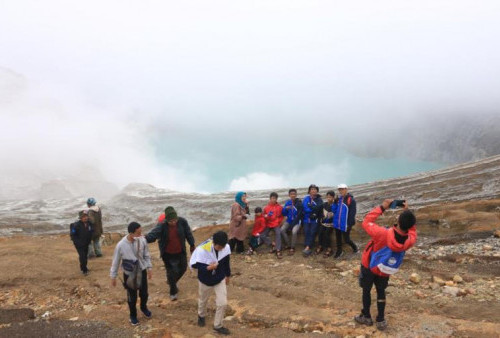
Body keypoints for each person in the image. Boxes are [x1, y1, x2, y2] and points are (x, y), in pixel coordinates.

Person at [354, 199, 417, 331]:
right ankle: (381, 319)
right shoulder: (410, 240)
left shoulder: (383, 233)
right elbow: (412, 229)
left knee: (366, 290)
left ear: (398, 221)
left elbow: (366, 222)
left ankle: (366, 316)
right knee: (381, 291)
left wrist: (382, 207)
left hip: (370, 265)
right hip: (385, 269)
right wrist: (407, 213)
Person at [146, 206, 195, 301]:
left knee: (183, 268)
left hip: (180, 251)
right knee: (171, 272)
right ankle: (173, 292)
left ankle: (171, 281)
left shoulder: (182, 222)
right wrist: (144, 239)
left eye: (175, 220)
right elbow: (153, 235)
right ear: (166, 220)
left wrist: (192, 244)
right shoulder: (162, 225)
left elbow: (188, 233)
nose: (173, 223)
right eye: (170, 221)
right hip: (167, 253)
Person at [110, 222, 153, 326]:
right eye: (138, 233)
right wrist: (113, 276)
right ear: (131, 233)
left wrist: (149, 268)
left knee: (144, 293)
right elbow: (116, 261)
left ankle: (143, 307)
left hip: (141, 270)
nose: (141, 235)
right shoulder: (121, 245)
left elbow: (146, 255)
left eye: (141, 232)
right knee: (132, 297)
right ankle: (133, 315)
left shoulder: (142, 240)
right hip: (129, 274)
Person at [190, 231, 232, 336]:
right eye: (219, 247)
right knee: (203, 300)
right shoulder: (202, 250)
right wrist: (209, 267)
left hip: (219, 278)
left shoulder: (225, 247)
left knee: (222, 303)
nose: (222, 249)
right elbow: (196, 265)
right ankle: (201, 315)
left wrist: (228, 275)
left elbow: (226, 262)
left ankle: (218, 325)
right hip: (205, 280)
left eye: (223, 247)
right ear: (214, 243)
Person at [333, 184, 358, 258]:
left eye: (342, 189)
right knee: (338, 238)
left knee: (346, 239)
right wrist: (334, 203)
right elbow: (334, 210)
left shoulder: (351, 200)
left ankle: (355, 248)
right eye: (340, 189)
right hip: (337, 222)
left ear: (346, 189)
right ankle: (339, 251)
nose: (341, 191)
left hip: (345, 224)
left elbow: (352, 213)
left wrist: (349, 224)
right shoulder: (338, 199)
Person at [302, 184, 323, 256]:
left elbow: (319, 208)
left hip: (315, 219)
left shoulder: (319, 199)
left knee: (312, 232)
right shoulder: (306, 198)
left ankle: (308, 247)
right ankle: (307, 246)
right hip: (306, 219)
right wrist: (312, 210)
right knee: (306, 232)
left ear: (317, 191)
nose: (313, 190)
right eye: (312, 189)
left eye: (315, 189)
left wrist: (313, 211)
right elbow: (305, 207)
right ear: (309, 191)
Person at [70, 210, 93, 275]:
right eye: (84, 217)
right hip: (79, 244)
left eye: (86, 216)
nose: (85, 218)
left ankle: (84, 267)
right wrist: (77, 242)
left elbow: (91, 231)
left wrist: (90, 239)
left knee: (85, 256)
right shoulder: (76, 225)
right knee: (82, 256)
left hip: (86, 243)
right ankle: (84, 270)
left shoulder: (89, 223)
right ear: (80, 218)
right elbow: (72, 235)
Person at [280, 189, 303, 255]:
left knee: (294, 231)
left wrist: (295, 222)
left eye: (294, 194)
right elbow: (284, 214)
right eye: (291, 194)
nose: (293, 195)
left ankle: (292, 247)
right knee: (282, 230)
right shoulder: (288, 203)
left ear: (296, 195)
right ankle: (288, 244)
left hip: (297, 221)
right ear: (289, 195)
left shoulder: (299, 202)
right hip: (289, 220)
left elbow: (300, 214)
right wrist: (285, 209)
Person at [262, 192, 284, 258]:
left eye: (274, 198)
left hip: (276, 224)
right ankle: (273, 244)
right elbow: (263, 217)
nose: (273, 200)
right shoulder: (266, 208)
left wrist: (278, 221)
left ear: (276, 199)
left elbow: (282, 216)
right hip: (268, 224)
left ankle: (278, 250)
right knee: (262, 235)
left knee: (278, 233)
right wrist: (266, 216)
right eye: (272, 198)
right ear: (270, 199)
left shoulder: (280, 207)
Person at [316, 191, 336, 257]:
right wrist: (322, 218)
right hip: (324, 222)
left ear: (333, 197)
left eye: (330, 197)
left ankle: (329, 249)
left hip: (331, 223)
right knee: (320, 232)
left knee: (327, 233)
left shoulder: (335, 205)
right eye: (327, 197)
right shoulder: (324, 204)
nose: (328, 198)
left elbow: (336, 214)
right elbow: (321, 212)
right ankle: (320, 246)